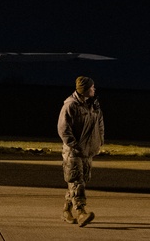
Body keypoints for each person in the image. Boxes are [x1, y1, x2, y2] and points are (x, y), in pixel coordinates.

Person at [57, 75, 104, 226]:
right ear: (84, 90)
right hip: (74, 152)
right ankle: (81, 212)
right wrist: (75, 146)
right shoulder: (70, 106)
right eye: (91, 87)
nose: (94, 89)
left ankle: (66, 209)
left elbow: (100, 125)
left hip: (88, 151)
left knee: (80, 180)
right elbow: (63, 129)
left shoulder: (93, 105)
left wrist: (99, 142)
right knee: (77, 182)